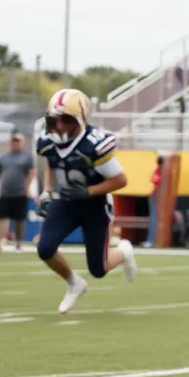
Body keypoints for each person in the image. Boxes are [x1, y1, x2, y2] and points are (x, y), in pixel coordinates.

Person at [35, 90, 138, 312]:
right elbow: (52, 163)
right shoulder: (46, 141)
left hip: (95, 206)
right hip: (67, 201)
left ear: (80, 120)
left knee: (99, 269)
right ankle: (74, 283)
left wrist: (88, 191)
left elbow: (120, 180)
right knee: (45, 247)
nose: (59, 126)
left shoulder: (93, 145)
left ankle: (124, 251)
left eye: (66, 119)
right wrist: (47, 191)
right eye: (54, 120)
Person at [0, 131, 35, 254]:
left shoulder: (27, 157)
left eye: (18, 141)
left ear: (22, 143)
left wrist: (27, 188)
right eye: (14, 141)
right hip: (5, 193)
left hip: (20, 193)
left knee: (20, 219)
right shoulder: (3, 158)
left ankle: (19, 244)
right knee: (2, 218)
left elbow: (31, 173)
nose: (16, 144)